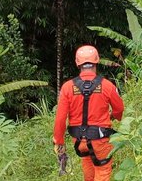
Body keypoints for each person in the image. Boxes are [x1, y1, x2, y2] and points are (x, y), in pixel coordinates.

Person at [53, 45, 124, 181]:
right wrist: (114, 116)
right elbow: (119, 109)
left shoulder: (67, 87)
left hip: (79, 141)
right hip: (100, 139)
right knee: (102, 170)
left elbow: (60, 119)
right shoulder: (107, 85)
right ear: (96, 61)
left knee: (88, 166)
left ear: (78, 63)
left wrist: (59, 141)